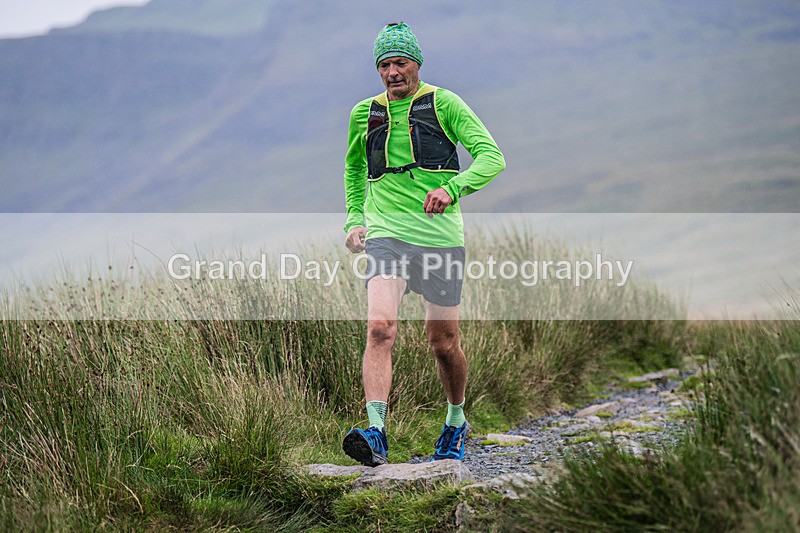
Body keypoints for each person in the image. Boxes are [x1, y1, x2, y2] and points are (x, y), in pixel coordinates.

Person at [341, 22, 506, 466]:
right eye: (384, 65)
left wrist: (452, 190)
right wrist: (355, 221)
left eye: (400, 63)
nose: (393, 72)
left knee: (442, 342)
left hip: (438, 238)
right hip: (386, 237)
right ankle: (376, 433)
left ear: (416, 64)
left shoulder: (445, 103)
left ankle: (455, 421)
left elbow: (492, 157)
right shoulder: (364, 113)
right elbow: (356, 171)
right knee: (380, 328)